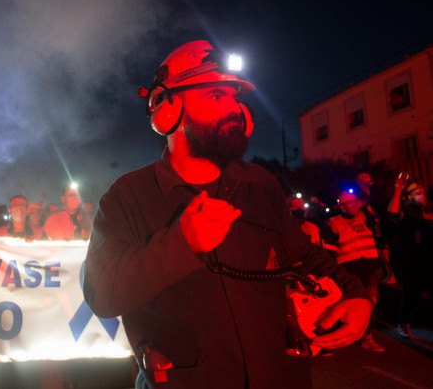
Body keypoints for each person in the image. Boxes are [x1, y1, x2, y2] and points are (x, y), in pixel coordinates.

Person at [82, 41, 372, 388]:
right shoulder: (127, 196)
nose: (235, 109)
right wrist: (181, 244)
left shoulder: (261, 184)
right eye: (215, 97)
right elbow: (103, 294)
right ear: (168, 111)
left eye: (234, 97)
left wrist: (355, 294)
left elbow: (305, 254)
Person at [322, 190, 385, 352]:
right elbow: (330, 250)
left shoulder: (366, 217)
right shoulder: (333, 223)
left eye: (354, 202)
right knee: (346, 302)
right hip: (348, 267)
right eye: (348, 203)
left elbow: (374, 202)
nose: (352, 205)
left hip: (369, 266)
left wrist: (363, 184)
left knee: (371, 302)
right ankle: (341, 333)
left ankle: (367, 337)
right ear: (341, 206)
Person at [386, 174, 433, 339]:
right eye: (418, 194)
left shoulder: (428, 214)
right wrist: (398, 190)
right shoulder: (405, 214)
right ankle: (403, 325)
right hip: (412, 265)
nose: (423, 197)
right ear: (408, 197)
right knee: (410, 297)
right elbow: (392, 214)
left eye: (424, 194)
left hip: (430, 264)